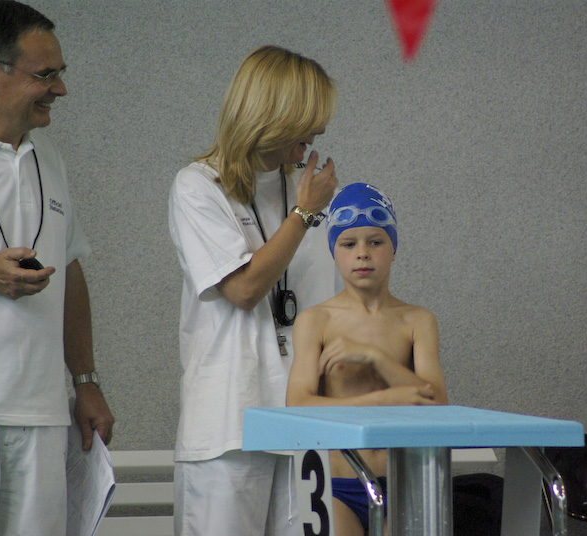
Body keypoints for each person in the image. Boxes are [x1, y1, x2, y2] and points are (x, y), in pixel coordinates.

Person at [0, 2, 115, 535]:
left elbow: (70, 271)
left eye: (59, 73)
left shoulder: (49, 157)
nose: (59, 89)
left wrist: (85, 382)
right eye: (45, 75)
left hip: (42, 416)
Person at [168, 45, 339, 536]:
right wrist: (303, 215)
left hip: (305, 420)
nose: (317, 134)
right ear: (272, 115)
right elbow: (243, 289)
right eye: (307, 122)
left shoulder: (306, 189)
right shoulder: (199, 186)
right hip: (230, 422)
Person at [286, 182, 449, 536]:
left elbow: (437, 404)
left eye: (375, 242)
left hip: (403, 481)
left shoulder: (417, 321)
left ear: (394, 249)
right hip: (336, 486)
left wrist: (375, 357)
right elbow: (297, 404)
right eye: (348, 244)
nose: (362, 253)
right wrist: (388, 399)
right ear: (334, 252)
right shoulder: (316, 321)